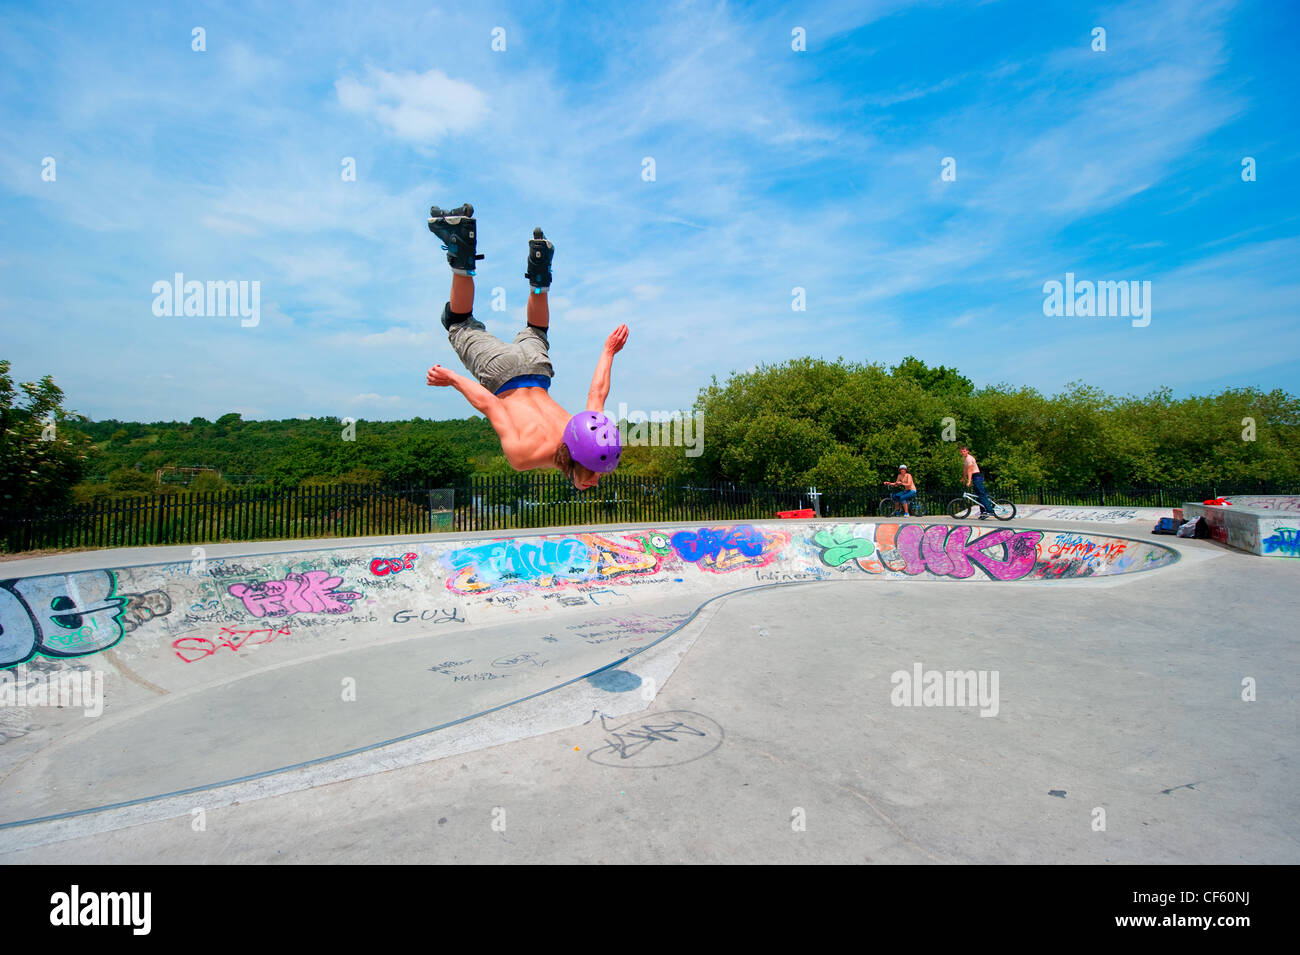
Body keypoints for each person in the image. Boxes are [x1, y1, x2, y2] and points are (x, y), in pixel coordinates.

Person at [424, 204, 628, 489]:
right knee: (458, 321)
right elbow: (491, 404)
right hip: (501, 374)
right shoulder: (524, 456)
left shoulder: (581, 428)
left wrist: (608, 351)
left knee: (537, 330)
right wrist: (452, 378)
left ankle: (539, 275)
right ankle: (460, 247)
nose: (596, 481)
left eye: (595, 473)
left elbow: (597, 394)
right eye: (596, 475)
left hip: (536, 368)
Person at [960, 445, 996, 519]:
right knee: (978, 496)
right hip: (974, 477)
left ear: (967, 451)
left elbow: (970, 470)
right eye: (961, 451)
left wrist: (969, 481)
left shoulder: (969, 458)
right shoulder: (965, 459)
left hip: (977, 476)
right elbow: (965, 469)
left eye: (964, 451)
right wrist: (964, 477)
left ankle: (990, 511)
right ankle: (983, 512)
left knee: (981, 494)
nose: (962, 453)